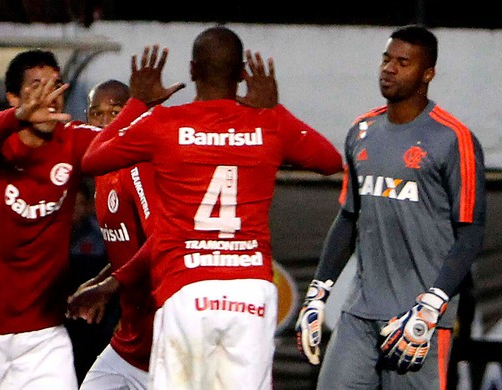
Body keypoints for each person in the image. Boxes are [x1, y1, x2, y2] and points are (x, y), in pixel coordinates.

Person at [79, 26, 343, 390]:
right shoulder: (267, 124)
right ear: (241, 74)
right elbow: (331, 161)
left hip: (188, 284)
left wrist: (138, 103)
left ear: (191, 70)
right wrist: (274, 108)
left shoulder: (164, 124)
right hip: (249, 289)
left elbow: (92, 158)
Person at [0, 47, 181, 390]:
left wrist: (139, 107)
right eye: (37, 86)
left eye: (56, 85)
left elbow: (119, 142)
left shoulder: (74, 139)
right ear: (12, 97)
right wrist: (18, 117)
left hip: (42, 333)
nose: (49, 96)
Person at [294, 25, 486, 390]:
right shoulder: (361, 129)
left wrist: (433, 304)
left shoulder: (453, 139)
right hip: (359, 312)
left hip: (419, 319)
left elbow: (471, 231)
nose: (389, 69)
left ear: (427, 74)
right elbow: (349, 217)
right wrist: (318, 292)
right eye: (386, 59)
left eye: (403, 62)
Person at [69, 79, 159, 390]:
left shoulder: (138, 167)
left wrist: (107, 287)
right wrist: (97, 283)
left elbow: (160, 239)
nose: (105, 122)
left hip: (165, 335)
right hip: (130, 341)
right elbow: (128, 248)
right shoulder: (101, 173)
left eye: (116, 112)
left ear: (132, 115)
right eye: (97, 114)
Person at [65, 179, 120, 385]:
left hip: (95, 320)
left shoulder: (101, 237)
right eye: (70, 204)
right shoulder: (51, 236)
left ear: (88, 205)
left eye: (79, 204)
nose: (74, 211)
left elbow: (117, 270)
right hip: (59, 316)